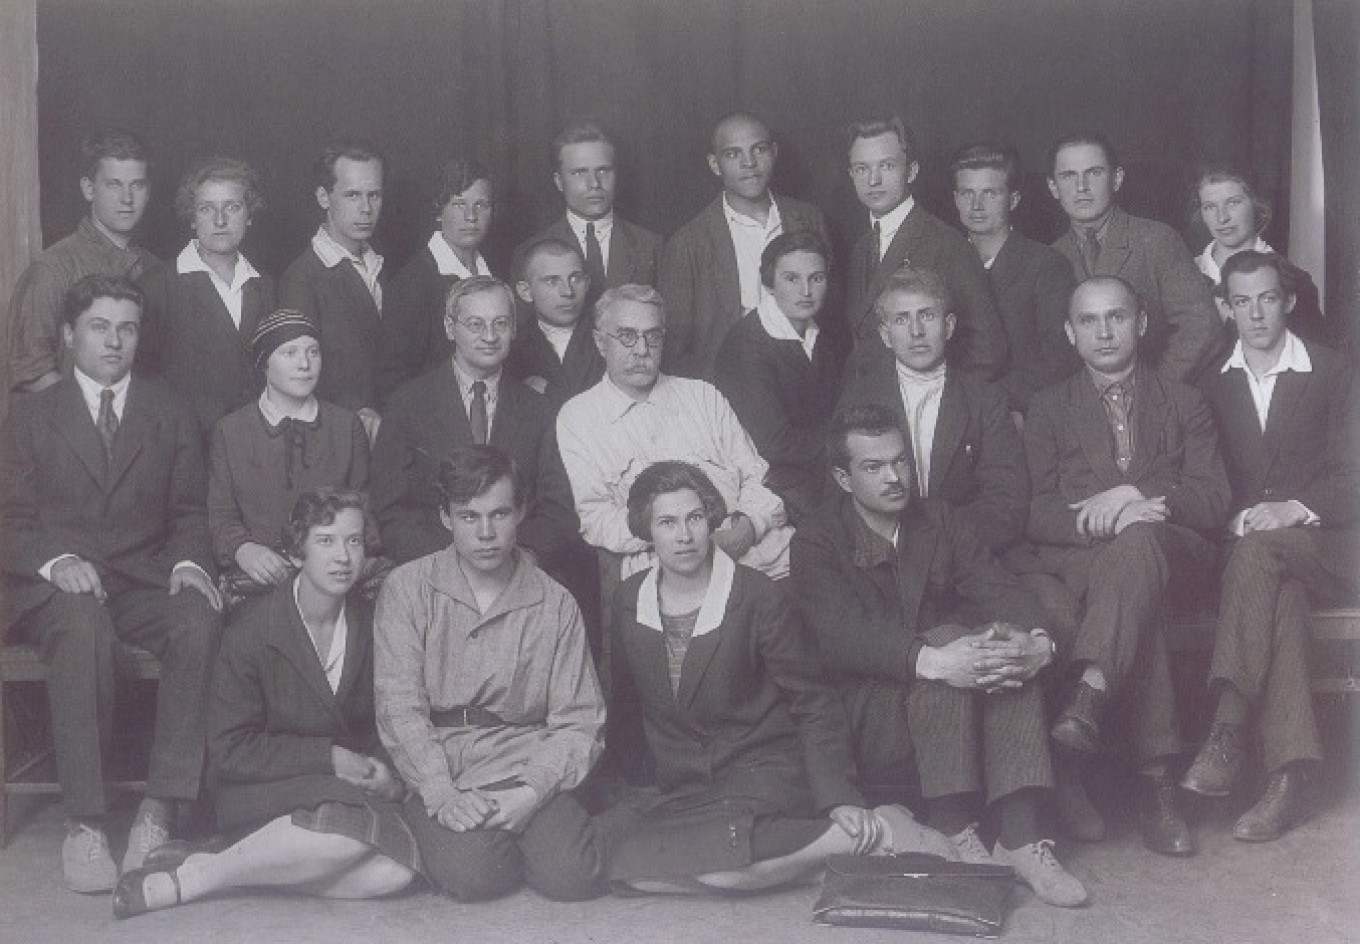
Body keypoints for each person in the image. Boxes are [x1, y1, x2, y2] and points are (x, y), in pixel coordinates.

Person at [599, 460, 954, 894]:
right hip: (687, 782)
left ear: (712, 519)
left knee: (721, 868)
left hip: (762, 769)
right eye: (667, 522)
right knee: (630, 871)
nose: (684, 535)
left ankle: (873, 831)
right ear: (646, 530)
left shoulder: (759, 596)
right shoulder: (628, 600)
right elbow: (627, 705)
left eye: (694, 518)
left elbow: (813, 701)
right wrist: (627, 789)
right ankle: (819, 863)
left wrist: (838, 795)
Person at [789, 405, 1087, 907]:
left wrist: (1035, 640)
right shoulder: (816, 542)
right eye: (873, 467)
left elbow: (996, 586)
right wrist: (936, 658)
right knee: (951, 635)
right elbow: (843, 636)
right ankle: (954, 827)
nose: (893, 477)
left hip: (946, 714)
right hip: (871, 719)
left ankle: (1019, 838)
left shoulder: (939, 518)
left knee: (1000, 641)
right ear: (842, 478)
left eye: (901, 462)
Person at [0, 274, 223, 891]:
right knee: (79, 624)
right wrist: (55, 561)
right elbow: (9, 520)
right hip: (56, 592)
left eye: (126, 328)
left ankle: (159, 808)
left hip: (143, 578)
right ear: (70, 335)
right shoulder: (31, 415)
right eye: (99, 327)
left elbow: (187, 514)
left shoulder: (168, 409)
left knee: (198, 617)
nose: (114, 341)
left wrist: (187, 564)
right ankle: (87, 822)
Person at [111, 488, 418, 918]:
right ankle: (190, 882)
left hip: (342, 789)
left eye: (354, 541)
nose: (343, 556)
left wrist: (388, 775)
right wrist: (328, 758)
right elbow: (230, 750)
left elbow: (387, 720)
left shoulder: (372, 624)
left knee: (396, 872)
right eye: (325, 541)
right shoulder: (252, 631)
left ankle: (229, 865)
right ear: (296, 555)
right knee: (357, 826)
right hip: (258, 792)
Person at [1024, 275, 1230, 857]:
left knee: (1140, 546)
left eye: (1116, 316)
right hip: (1088, 562)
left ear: (1140, 323)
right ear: (1070, 333)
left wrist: (1138, 500)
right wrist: (1115, 515)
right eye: (1089, 321)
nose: (1104, 330)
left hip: (1175, 552)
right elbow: (1035, 512)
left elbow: (1214, 499)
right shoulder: (1047, 408)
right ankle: (1156, 783)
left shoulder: (1185, 402)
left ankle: (1090, 693)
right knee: (1143, 601)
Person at [374, 446, 606, 902]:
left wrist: (532, 791)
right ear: (445, 517)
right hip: (445, 762)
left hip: (525, 759)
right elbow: (399, 707)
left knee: (572, 876)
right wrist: (440, 793)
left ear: (521, 512)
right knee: (479, 877)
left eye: (499, 514)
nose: (485, 534)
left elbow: (579, 720)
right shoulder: (407, 588)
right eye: (468, 517)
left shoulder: (555, 601)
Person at [1185, 251, 1359, 840]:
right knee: (1277, 594)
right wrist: (1240, 521)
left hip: (1329, 546)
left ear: (1286, 301)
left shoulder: (1335, 372)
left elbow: (1354, 473)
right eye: (1242, 302)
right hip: (1254, 563)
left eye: (1266, 299)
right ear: (1226, 309)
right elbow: (1206, 483)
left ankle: (1228, 729)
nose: (1256, 313)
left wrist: (1293, 508)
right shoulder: (1210, 384)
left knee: (1265, 556)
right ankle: (1289, 779)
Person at [556, 284, 792, 584]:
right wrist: (687, 538)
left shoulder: (703, 396)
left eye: (652, 336)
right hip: (660, 569)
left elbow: (759, 477)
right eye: (627, 336)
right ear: (600, 342)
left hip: (753, 552)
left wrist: (750, 525)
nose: (641, 350)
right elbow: (597, 518)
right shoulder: (578, 417)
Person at [371, 276, 577, 570]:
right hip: (433, 573)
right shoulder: (407, 405)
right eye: (476, 324)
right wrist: (447, 565)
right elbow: (391, 509)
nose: (490, 336)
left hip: (518, 572)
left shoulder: (539, 410)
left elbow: (557, 508)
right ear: (449, 327)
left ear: (514, 328)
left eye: (501, 323)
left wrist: (522, 558)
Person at [839, 266, 1028, 556]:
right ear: (885, 334)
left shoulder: (984, 399)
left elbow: (1005, 504)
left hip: (967, 555)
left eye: (927, 315)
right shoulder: (859, 397)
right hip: (883, 557)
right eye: (902, 319)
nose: (916, 332)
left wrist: (940, 545)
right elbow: (842, 494)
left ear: (949, 326)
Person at [208, 310, 370, 603]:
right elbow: (221, 515)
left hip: (337, 577)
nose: (305, 364)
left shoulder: (345, 426)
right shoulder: (230, 431)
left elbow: (364, 507)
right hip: (261, 580)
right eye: (289, 353)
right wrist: (243, 549)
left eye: (313, 352)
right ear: (264, 363)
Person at [659, 112, 829, 379]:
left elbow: (829, 314)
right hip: (726, 386)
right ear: (715, 164)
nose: (749, 163)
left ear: (773, 152)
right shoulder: (688, 243)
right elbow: (675, 350)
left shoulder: (809, 219)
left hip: (806, 378)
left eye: (758, 149)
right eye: (733, 154)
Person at [1047, 133, 1221, 384]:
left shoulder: (1158, 240)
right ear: (1053, 187)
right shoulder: (1050, 257)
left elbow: (1201, 329)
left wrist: (1150, 393)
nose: (1081, 187)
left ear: (1116, 179)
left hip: (1157, 402)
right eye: (1068, 176)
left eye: (1094, 173)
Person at [841, 117, 1007, 379]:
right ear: (851, 174)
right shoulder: (859, 249)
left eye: (886, 166)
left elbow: (987, 351)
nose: (873, 180)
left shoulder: (947, 243)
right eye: (862, 168)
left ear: (911, 170)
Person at [713, 231, 848, 524]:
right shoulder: (746, 346)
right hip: (773, 479)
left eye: (817, 278)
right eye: (792, 278)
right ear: (769, 283)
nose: (806, 291)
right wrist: (849, 444)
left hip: (822, 466)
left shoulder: (821, 331)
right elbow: (774, 444)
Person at [8, 129, 157, 394]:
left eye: (137, 185)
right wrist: (91, 422)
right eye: (114, 184)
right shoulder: (52, 268)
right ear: (89, 189)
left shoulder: (156, 268)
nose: (127, 199)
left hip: (142, 430)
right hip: (73, 432)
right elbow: (32, 371)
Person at [139, 156, 275, 438]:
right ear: (191, 217)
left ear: (249, 215)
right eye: (206, 209)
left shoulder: (265, 286)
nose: (220, 220)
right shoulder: (158, 285)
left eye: (233, 207)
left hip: (258, 446)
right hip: (185, 446)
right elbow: (142, 378)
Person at [950, 143, 1078, 417]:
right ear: (956, 199)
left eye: (990, 193)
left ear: (1014, 199)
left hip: (1023, 413)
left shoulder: (1047, 265)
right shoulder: (943, 264)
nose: (976, 206)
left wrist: (990, 399)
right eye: (967, 193)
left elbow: (1059, 357)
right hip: (954, 413)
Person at [279, 139, 387, 432]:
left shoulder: (383, 267)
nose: (366, 208)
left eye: (374, 195)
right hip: (338, 436)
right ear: (324, 197)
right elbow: (298, 379)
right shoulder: (301, 279)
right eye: (352, 195)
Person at [379, 156, 496, 398]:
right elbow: (397, 379)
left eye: (481, 205)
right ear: (438, 211)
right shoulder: (412, 283)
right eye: (459, 205)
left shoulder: (494, 276)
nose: (471, 217)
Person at [521, 121, 664, 312]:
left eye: (603, 170)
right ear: (559, 181)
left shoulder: (651, 246)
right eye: (580, 173)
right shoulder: (530, 252)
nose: (594, 183)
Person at [1191, 167, 1332, 351]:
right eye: (1210, 207)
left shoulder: (1294, 280)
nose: (1222, 217)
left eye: (1233, 203)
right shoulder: (1185, 272)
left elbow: (1316, 359)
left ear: (1256, 204)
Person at [507, 237, 606, 411]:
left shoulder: (611, 335)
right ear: (525, 291)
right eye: (552, 281)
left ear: (587, 283)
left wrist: (549, 391)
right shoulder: (512, 346)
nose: (567, 292)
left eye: (575, 279)